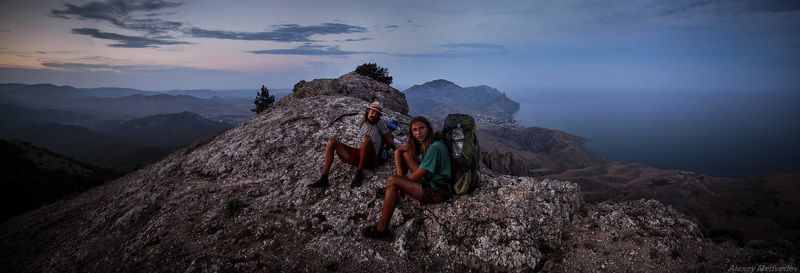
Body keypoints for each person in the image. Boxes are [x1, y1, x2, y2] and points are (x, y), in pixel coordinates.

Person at [362, 116, 452, 240]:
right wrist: (400, 175)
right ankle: (394, 192)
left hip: (438, 191)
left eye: (421, 128)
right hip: (431, 179)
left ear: (428, 129)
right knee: (405, 155)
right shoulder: (427, 142)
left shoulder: (434, 148)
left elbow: (415, 177)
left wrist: (400, 183)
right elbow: (399, 150)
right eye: (415, 130)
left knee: (392, 181)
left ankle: (381, 230)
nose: (418, 133)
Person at [309, 101, 396, 188]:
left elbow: (389, 139)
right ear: (368, 110)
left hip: (370, 159)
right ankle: (324, 178)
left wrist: (396, 151)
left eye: (377, 114)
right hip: (358, 154)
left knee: (366, 138)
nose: (374, 115)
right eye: (373, 111)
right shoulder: (363, 121)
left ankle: (359, 173)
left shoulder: (379, 123)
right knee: (331, 141)